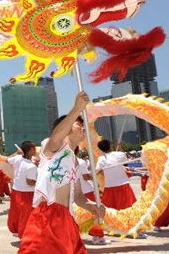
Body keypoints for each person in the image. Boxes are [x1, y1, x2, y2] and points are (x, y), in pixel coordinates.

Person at [19, 91, 105, 254]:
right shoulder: (52, 148)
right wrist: (76, 109)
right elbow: (56, 138)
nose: (81, 126)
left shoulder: (76, 162)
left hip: (67, 219)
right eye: (78, 123)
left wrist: (92, 207)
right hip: (47, 215)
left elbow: (78, 196)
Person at [6, 141, 37, 238]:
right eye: (35, 148)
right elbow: (30, 182)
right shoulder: (31, 166)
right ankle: (25, 235)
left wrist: (17, 153)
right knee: (26, 215)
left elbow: (7, 160)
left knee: (15, 213)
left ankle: (15, 230)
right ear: (31, 149)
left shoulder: (17, 158)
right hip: (27, 194)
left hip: (16, 190)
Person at [76, 151, 109, 245]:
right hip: (85, 192)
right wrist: (95, 174)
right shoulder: (80, 162)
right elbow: (86, 177)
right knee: (95, 213)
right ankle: (97, 236)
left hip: (74, 193)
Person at [96, 140, 137, 210]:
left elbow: (98, 170)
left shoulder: (101, 159)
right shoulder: (119, 154)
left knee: (111, 210)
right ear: (110, 146)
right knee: (128, 208)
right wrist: (120, 147)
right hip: (122, 184)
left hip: (110, 186)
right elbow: (125, 160)